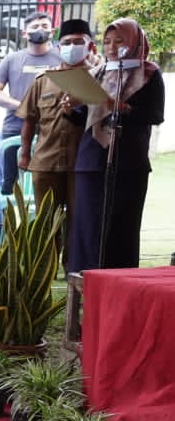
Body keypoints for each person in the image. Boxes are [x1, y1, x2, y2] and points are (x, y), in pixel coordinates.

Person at [67, 17, 165, 273]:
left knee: (120, 227)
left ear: (134, 42)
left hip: (127, 164)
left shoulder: (149, 73)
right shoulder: (98, 72)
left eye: (119, 40)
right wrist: (71, 108)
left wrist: (122, 107)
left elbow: (154, 115)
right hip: (90, 161)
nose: (111, 46)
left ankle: (118, 284)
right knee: (87, 228)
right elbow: (89, 117)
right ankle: (85, 282)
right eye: (107, 41)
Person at [15, 18, 96, 273]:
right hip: (46, 162)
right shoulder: (44, 80)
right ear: (59, 47)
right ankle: (44, 271)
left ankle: (73, 269)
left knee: (77, 221)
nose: (72, 47)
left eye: (78, 42)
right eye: (67, 43)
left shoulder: (98, 79)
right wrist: (25, 153)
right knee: (45, 221)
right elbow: (29, 119)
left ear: (90, 46)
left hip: (81, 164)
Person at [0, 12, 62, 196]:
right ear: (25, 33)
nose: (40, 30)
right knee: (8, 185)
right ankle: (5, 223)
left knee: (47, 185)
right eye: (35, 27)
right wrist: (22, 105)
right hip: (14, 127)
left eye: (45, 27)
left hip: (51, 130)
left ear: (52, 31)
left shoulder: (61, 59)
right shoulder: (12, 59)